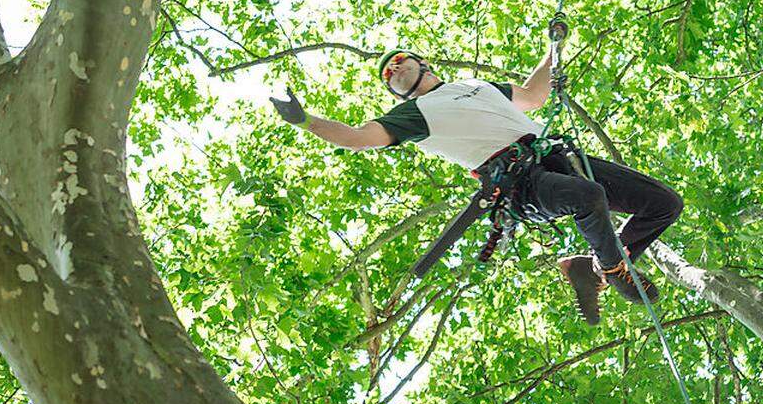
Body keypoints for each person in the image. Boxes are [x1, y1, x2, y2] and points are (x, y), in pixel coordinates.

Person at [269, 44, 684, 325]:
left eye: (399, 62)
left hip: (559, 155)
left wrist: (552, 49)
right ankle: (613, 267)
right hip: (520, 181)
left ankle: (590, 266)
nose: (395, 71)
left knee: (664, 203)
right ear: (397, 93)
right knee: (588, 197)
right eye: (389, 76)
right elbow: (358, 137)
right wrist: (305, 121)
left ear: (422, 63)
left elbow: (534, 95)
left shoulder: (476, 85)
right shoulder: (412, 115)